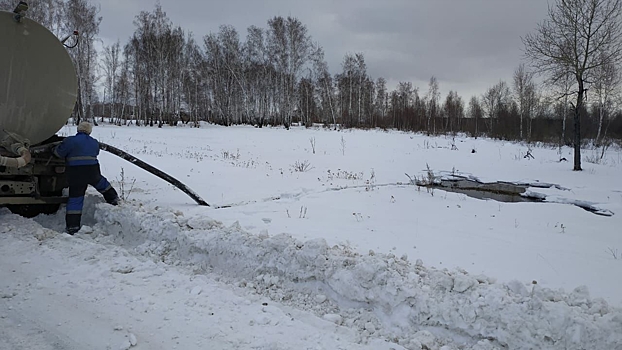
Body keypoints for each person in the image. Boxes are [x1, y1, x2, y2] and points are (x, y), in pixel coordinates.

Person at [53, 121, 119, 234]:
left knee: (75, 199)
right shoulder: (94, 142)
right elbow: (96, 152)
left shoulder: (70, 141)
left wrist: (54, 149)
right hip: (92, 170)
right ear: (89, 131)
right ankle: (113, 198)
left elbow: (59, 153)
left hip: (76, 173)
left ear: (78, 129)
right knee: (102, 184)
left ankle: (73, 227)